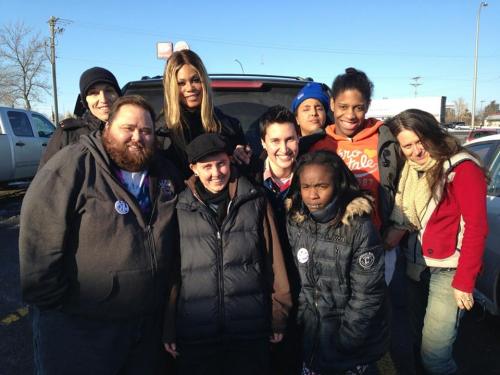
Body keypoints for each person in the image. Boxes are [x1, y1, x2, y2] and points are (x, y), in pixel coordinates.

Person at [19, 95, 182, 375]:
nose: (137, 137)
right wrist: (57, 307)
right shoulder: (73, 165)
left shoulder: (164, 173)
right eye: (127, 128)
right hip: (84, 329)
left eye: (145, 131)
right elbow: (39, 237)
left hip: (146, 327)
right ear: (107, 128)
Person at [163, 133, 292, 375]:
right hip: (196, 331)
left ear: (230, 161)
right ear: (193, 169)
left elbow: (273, 261)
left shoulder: (254, 200)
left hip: (249, 330)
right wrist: (169, 325)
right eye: (207, 167)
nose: (216, 173)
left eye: (221, 163)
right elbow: (173, 272)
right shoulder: (180, 207)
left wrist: (278, 314)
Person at [384, 109, 488, 375]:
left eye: (421, 141)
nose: (417, 151)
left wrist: (465, 282)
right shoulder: (410, 170)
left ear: (433, 133)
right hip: (416, 268)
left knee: (435, 357)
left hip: (448, 272)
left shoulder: (461, 168)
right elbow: (409, 219)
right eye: (408, 145)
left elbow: (477, 228)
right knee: (418, 344)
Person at [286, 150, 389, 375]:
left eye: (322, 186)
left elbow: (367, 295)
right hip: (311, 337)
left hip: (347, 344)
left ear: (338, 185)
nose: (313, 195)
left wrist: (347, 340)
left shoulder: (358, 227)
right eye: (306, 187)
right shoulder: (296, 222)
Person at [159, 49, 251, 178]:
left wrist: (240, 153)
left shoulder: (228, 126)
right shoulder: (161, 130)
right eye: (181, 83)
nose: (190, 88)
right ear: (171, 87)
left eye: (195, 80)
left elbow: (244, 171)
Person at [39, 66, 122, 168]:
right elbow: (47, 178)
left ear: (118, 95)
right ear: (85, 100)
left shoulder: (134, 132)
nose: (103, 99)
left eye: (109, 91)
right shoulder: (67, 134)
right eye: (94, 93)